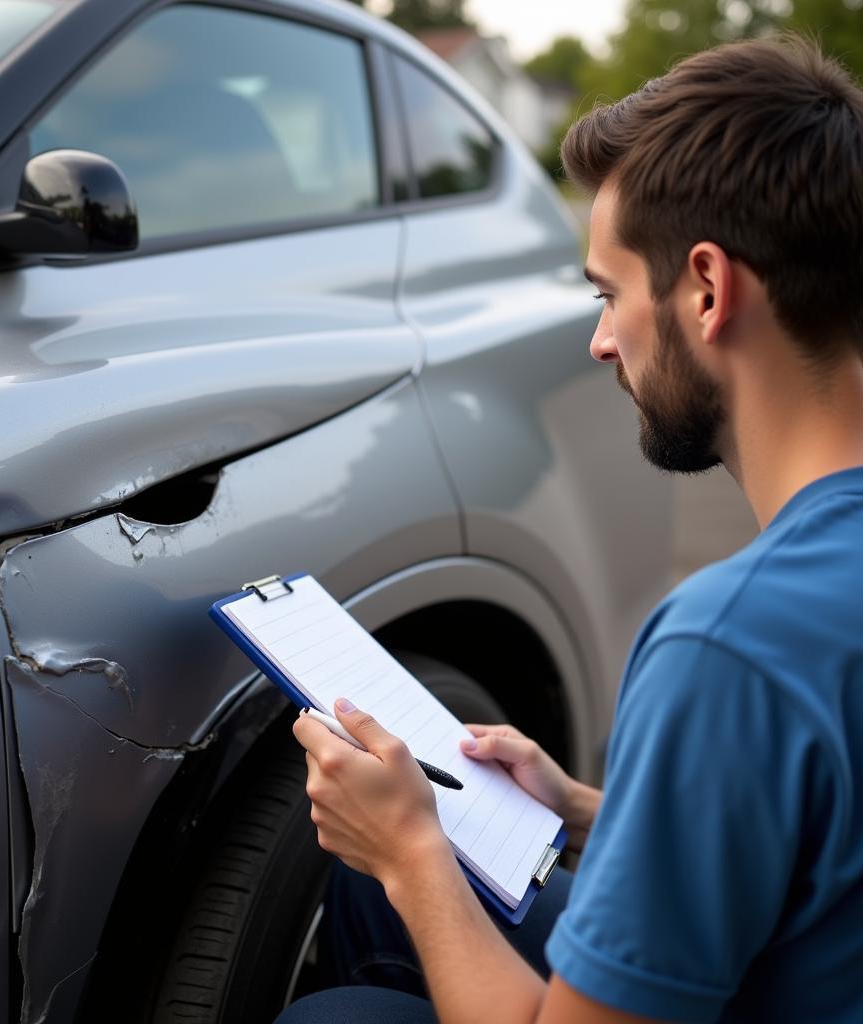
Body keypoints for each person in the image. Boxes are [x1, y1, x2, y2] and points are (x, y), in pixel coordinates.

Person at [278, 34, 863, 1024]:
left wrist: (414, 855)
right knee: (364, 897)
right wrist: (590, 811)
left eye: (608, 292)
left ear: (708, 291)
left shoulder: (728, 642)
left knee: (331, 1011)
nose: (600, 340)